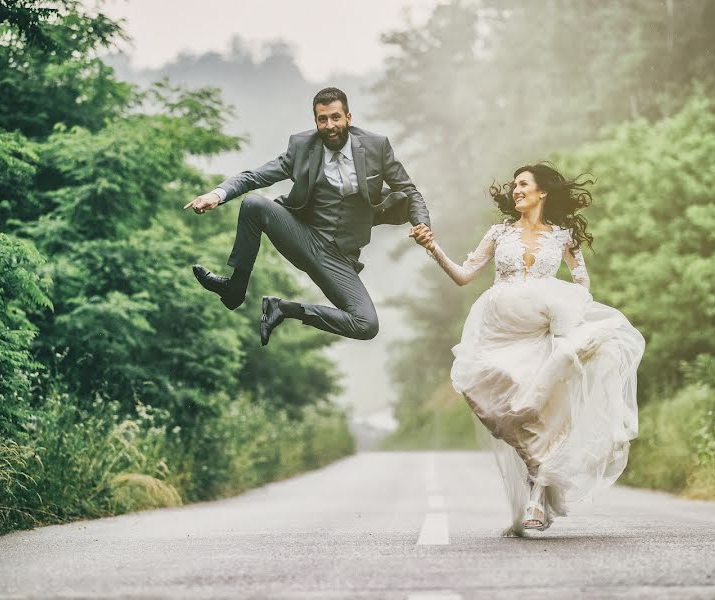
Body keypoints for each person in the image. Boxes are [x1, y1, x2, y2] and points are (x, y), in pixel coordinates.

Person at [411, 163, 644, 536]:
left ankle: (538, 491)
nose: (515, 189)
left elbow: (581, 280)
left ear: (542, 192)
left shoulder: (562, 237)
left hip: (540, 330)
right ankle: (539, 476)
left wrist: (571, 313)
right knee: (498, 403)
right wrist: (432, 246)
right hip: (499, 330)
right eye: (514, 185)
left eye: (523, 184)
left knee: (543, 408)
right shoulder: (499, 232)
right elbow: (464, 275)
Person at [184, 87, 431, 345]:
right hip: (304, 236)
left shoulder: (376, 147)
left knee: (366, 324)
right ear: (315, 121)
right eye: (322, 119)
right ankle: (235, 290)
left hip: (339, 258)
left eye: (335, 117)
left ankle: (282, 309)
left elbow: (409, 191)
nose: (330, 125)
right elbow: (255, 176)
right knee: (254, 204)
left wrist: (422, 224)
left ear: (348, 117)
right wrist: (217, 194)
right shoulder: (302, 147)